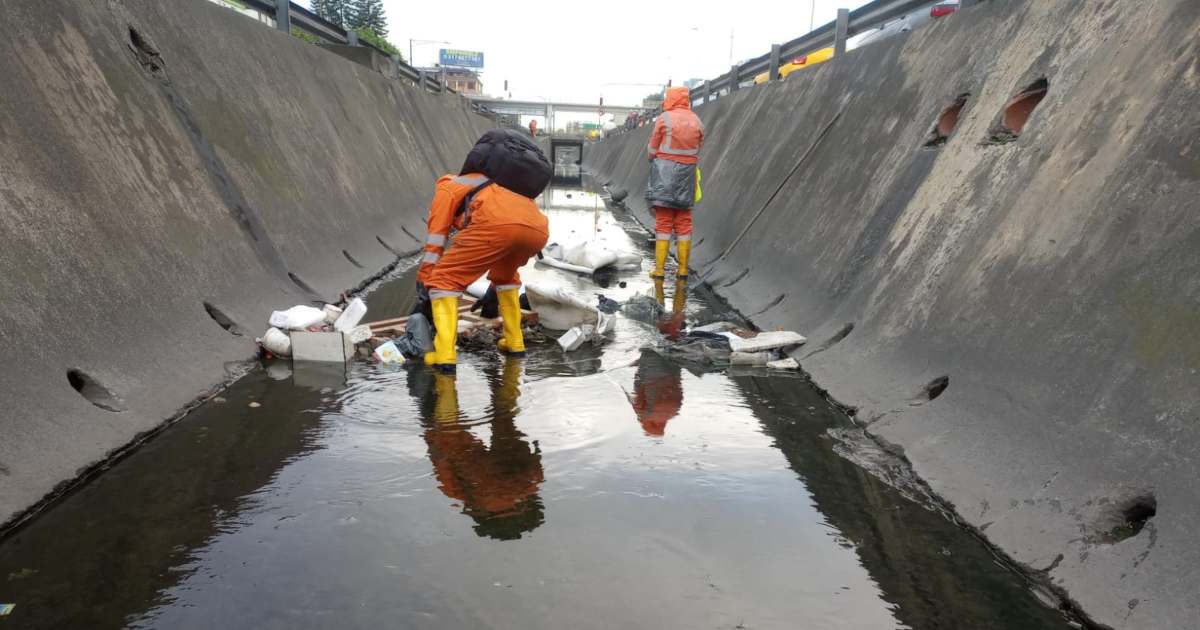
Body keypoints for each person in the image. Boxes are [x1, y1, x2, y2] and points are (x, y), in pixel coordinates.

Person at [417, 129, 552, 372]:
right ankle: (514, 342)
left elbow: (437, 238)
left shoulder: (448, 187)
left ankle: (444, 355)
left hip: (498, 225)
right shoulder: (502, 188)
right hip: (538, 229)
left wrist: (426, 281)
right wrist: (492, 290)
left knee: (444, 280)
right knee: (506, 277)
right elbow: (509, 229)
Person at [646, 86, 704, 279]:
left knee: (663, 221)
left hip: (664, 176)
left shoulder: (665, 118)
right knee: (684, 221)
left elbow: (652, 148)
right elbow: (699, 146)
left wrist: (654, 156)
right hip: (687, 177)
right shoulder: (697, 121)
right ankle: (683, 270)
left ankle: (660, 270)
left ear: (669, 99)